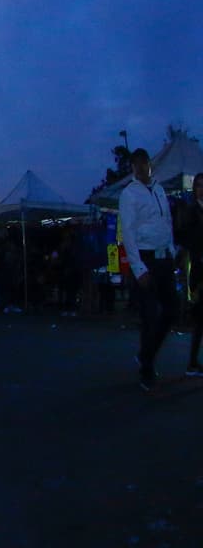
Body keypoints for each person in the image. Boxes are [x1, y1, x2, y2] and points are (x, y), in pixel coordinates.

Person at [118, 147, 177, 392]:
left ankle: (146, 354)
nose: (141, 167)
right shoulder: (129, 194)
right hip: (146, 257)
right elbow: (128, 233)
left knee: (171, 310)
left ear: (150, 164)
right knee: (149, 315)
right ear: (132, 167)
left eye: (144, 163)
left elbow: (167, 221)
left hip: (164, 257)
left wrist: (172, 249)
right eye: (136, 164)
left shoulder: (159, 188)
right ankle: (146, 369)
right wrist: (138, 267)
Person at [175, 175, 203, 375]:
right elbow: (182, 235)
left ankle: (193, 362)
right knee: (200, 315)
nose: (201, 189)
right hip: (198, 266)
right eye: (199, 185)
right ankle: (192, 362)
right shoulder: (190, 210)